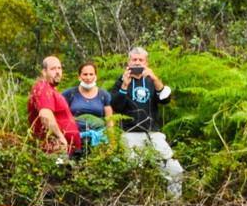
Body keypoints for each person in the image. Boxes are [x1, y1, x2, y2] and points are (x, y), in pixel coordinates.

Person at [112, 47, 183, 197]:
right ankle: (135, 204)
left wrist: (155, 79)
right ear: (129, 62)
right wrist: (124, 85)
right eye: (134, 60)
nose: (137, 63)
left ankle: (174, 203)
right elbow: (116, 106)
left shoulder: (152, 81)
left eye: (141, 60)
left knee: (174, 170)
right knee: (134, 174)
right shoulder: (121, 80)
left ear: (146, 62)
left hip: (153, 132)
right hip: (130, 133)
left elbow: (165, 99)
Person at [27, 56, 80, 156]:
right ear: (44, 72)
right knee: (58, 167)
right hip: (56, 149)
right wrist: (60, 137)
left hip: (65, 149)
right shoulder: (43, 88)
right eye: (53, 69)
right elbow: (45, 116)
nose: (57, 72)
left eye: (59, 68)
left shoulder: (51, 89)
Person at [62, 63, 115, 151]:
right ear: (79, 77)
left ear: (96, 76)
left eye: (91, 74)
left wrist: (112, 141)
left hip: (99, 141)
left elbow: (109, 120)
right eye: (85, 74)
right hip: (74, 139)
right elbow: (61, 116)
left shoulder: (104, 95)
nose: (88, 77)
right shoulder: (69, 94)